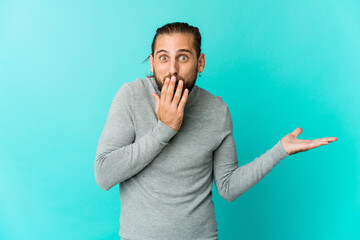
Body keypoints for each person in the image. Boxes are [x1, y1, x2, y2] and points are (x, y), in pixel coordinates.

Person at [94, 22, 337, 240]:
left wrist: (279, 151)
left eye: (183, 57)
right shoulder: (131, 97)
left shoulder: (217, 110)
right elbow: (104, 175)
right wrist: (164, 129)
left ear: (200, 63)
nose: (172, 70)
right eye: (163, 58)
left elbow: (228, 187)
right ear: (152, 62)